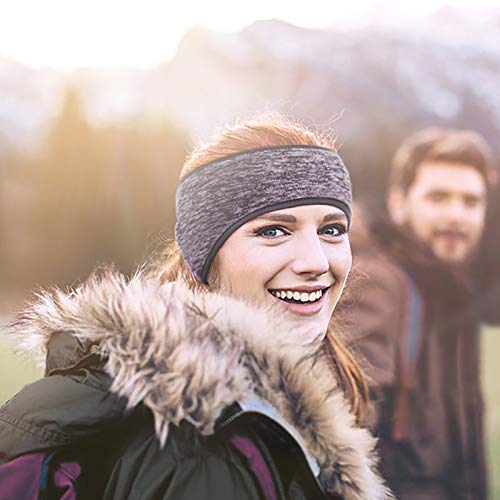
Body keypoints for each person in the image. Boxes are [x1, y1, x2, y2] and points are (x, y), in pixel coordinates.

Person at [0, 116, 391, 499]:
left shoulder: (284, 401)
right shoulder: (201, 440)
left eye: (332, 230)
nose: (317, 262)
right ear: (200, 259)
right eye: (273, 231)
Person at [342, 127, 495, 499]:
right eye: (438, 198)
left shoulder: (451, 291)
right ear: (399, 204)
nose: (456, 215)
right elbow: (343, 435)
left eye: (470, 202)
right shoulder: (376, 282)